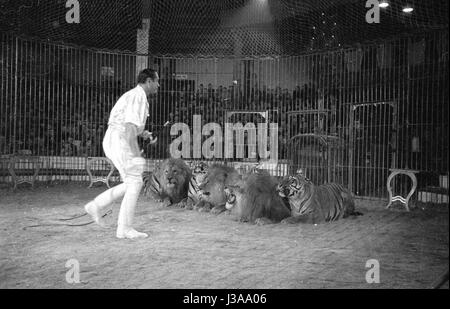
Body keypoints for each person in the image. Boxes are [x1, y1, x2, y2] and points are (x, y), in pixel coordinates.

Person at [84, 69, 159, 239]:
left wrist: (143, 134)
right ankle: (124, 228)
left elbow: (131, 126)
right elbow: (129, 129)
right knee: (135, 181)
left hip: (115, 138)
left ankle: (97, 206)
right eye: (157, 80)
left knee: (131, 182)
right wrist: (136, 156)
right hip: (118, 139)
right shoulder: (138, 96)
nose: (158, 84)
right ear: (148, 81)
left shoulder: (136, 95)